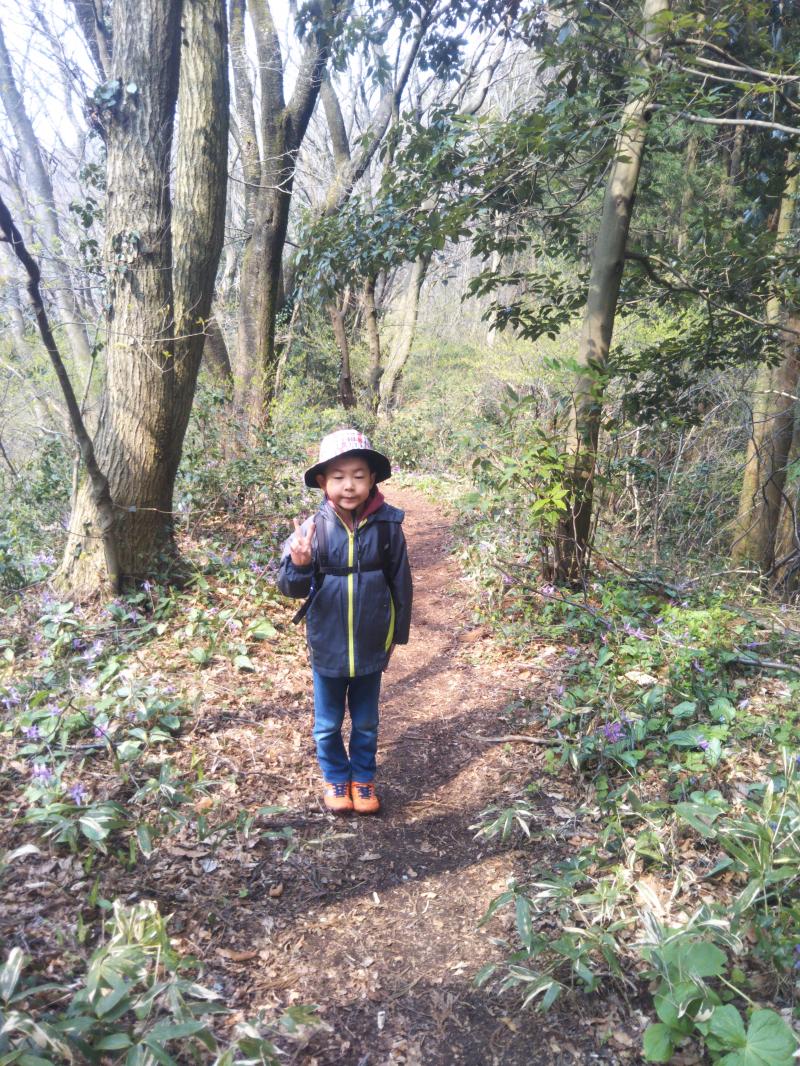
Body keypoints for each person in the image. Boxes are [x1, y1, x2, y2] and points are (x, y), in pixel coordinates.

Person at [277, 429, 413, 815]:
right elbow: (290, 588)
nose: (349, 485)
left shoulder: (388, 526)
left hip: (371, 644)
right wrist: (299, 564)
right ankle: (336, 776)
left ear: (373, 479)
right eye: (338, 477)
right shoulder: (311, 530)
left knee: (366, 722)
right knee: (327, 724)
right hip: (327, 645)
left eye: (358, 475)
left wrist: (396, 636)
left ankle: (363, 779)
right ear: (323, 482)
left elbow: (401, 583)